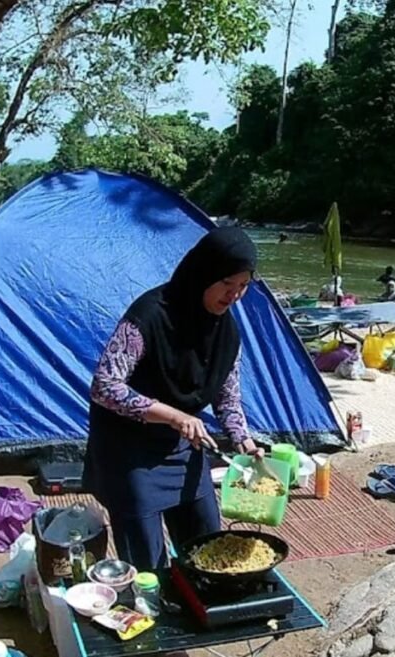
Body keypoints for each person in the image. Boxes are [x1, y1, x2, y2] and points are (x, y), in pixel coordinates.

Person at [83, 227, 266, 572]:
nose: (234, 296)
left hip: (182, 447)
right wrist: (174, 416)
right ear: (205, 273)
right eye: (227, 284)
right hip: (129, 451)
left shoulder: (226, 332)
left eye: (243, 287)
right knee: (148, 563)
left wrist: (243, 439)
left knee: (209, 545)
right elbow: (104, 386)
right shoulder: (151, 315)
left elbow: (227, 399)